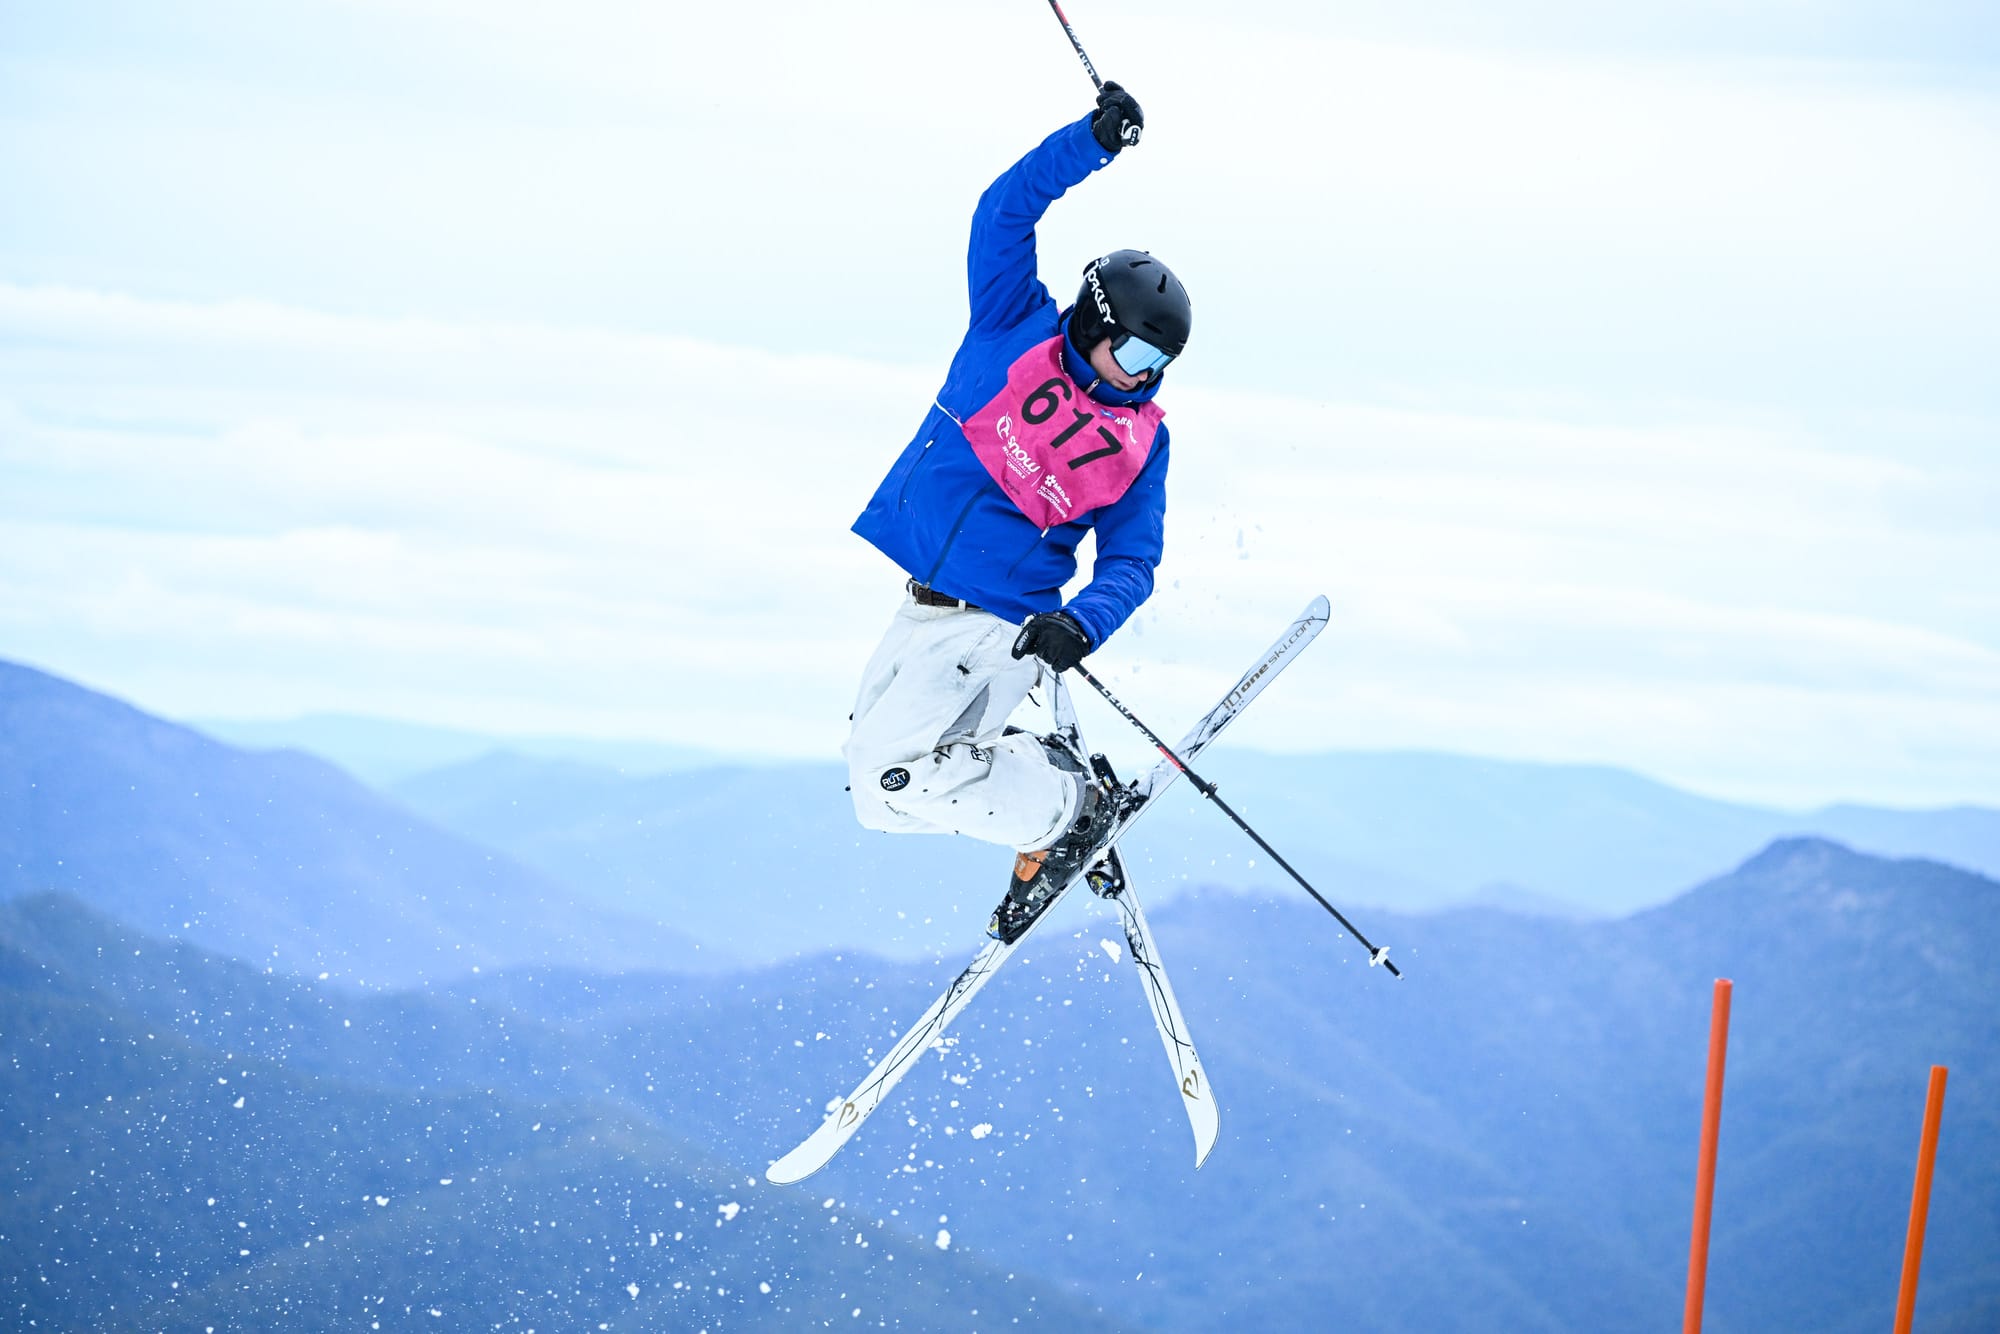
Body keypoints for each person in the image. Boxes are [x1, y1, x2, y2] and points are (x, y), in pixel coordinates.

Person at [844, 81, 1192, 943]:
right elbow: (1003, 212)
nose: (1146, 373)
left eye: (1164, 360)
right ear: (1095, 320)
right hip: (925, 601)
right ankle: (1053, 805)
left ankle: (1066, 809)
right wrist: (1091, 142)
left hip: (999, 627)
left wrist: (1083, 625)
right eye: (1141, 350)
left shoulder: (1141, 439)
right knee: (877, 799)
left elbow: (1131, 562)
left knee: (893, 774)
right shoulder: (1014, 325)